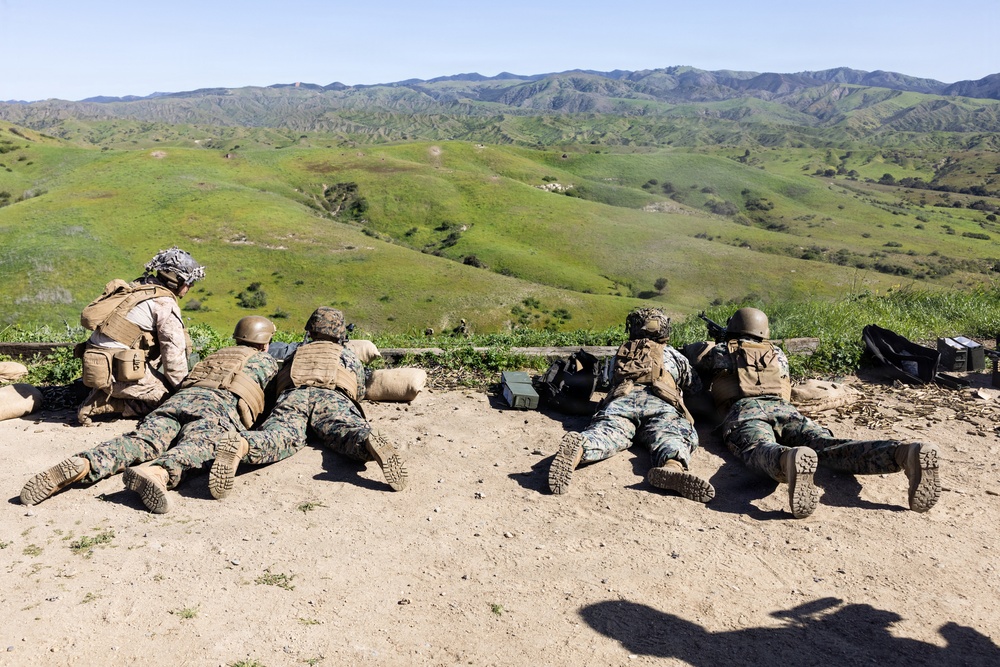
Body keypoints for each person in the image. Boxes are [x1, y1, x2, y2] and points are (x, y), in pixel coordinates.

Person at [693, 307, 940, 519]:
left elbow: (697, 373)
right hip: (786, 409)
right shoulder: (778, 354)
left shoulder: (721, 351)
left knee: (757, 447)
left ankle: (786, 460)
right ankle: (901, 453)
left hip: (745, 410)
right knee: (827, 445)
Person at [21, 316, 279, 513]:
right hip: (217, 406)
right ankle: (158, 473)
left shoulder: (217, 355)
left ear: (236, 339)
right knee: (198, 446)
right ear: (265, 343)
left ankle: (86, 464)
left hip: (177, 400)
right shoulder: (266, 361)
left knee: (141, 440)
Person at [208, 307, 407, 498]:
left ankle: (244, 444)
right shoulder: (347, 355)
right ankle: (367, 440)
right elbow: (359, 391)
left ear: (310, 332)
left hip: (294, 396)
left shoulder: (296, 353)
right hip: (331, 396)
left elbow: (278, 382)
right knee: (345, 430)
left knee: (280, 435)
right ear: (340, 334)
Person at [548, 307, 715, 502]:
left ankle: (580, 449)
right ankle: (672, 466)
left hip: (622, 399)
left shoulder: (621, 353)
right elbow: (694, 387)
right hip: (660, 401)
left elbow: (608, 380)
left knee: (607, 432)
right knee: (672, 435)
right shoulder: (674, 356)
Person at [76, 246, 204, 425]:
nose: (190, 286)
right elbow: (174, 361)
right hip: (118, 370)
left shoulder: (140, 286)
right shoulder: (164, 303)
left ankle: (107, 391)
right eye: (189, 282)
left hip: (98, 362)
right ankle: (110, 403)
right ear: (177, 280)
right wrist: (183, 392)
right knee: (173, 402)